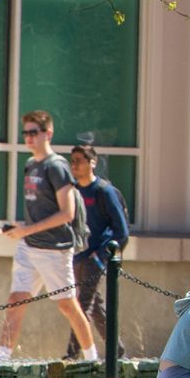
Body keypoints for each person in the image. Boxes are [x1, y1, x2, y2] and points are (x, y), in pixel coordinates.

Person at [0, 110, 100, 362]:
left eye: (34, 132)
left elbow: (67, 213)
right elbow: (39, 210)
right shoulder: (31, 165)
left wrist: (25, 230)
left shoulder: (57, 167)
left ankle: (92, 360)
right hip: (29, 247)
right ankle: (0, 361)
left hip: (55, 248)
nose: (29, 138)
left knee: (67, 305)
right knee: (15, 301)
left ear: (48, 133)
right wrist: (20, 229)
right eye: (25, 133)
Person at [63, 145, 130, 360]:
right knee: (96, 307)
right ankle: (117, 352)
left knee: (82, 304)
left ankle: (73, 354)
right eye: (72, 161)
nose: (75, 165)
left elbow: (121, 231)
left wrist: (103, 255)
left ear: (93, 162)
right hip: (78, 256)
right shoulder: (73, 190)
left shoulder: (104, 191)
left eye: (80, 160)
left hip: (97, 257)